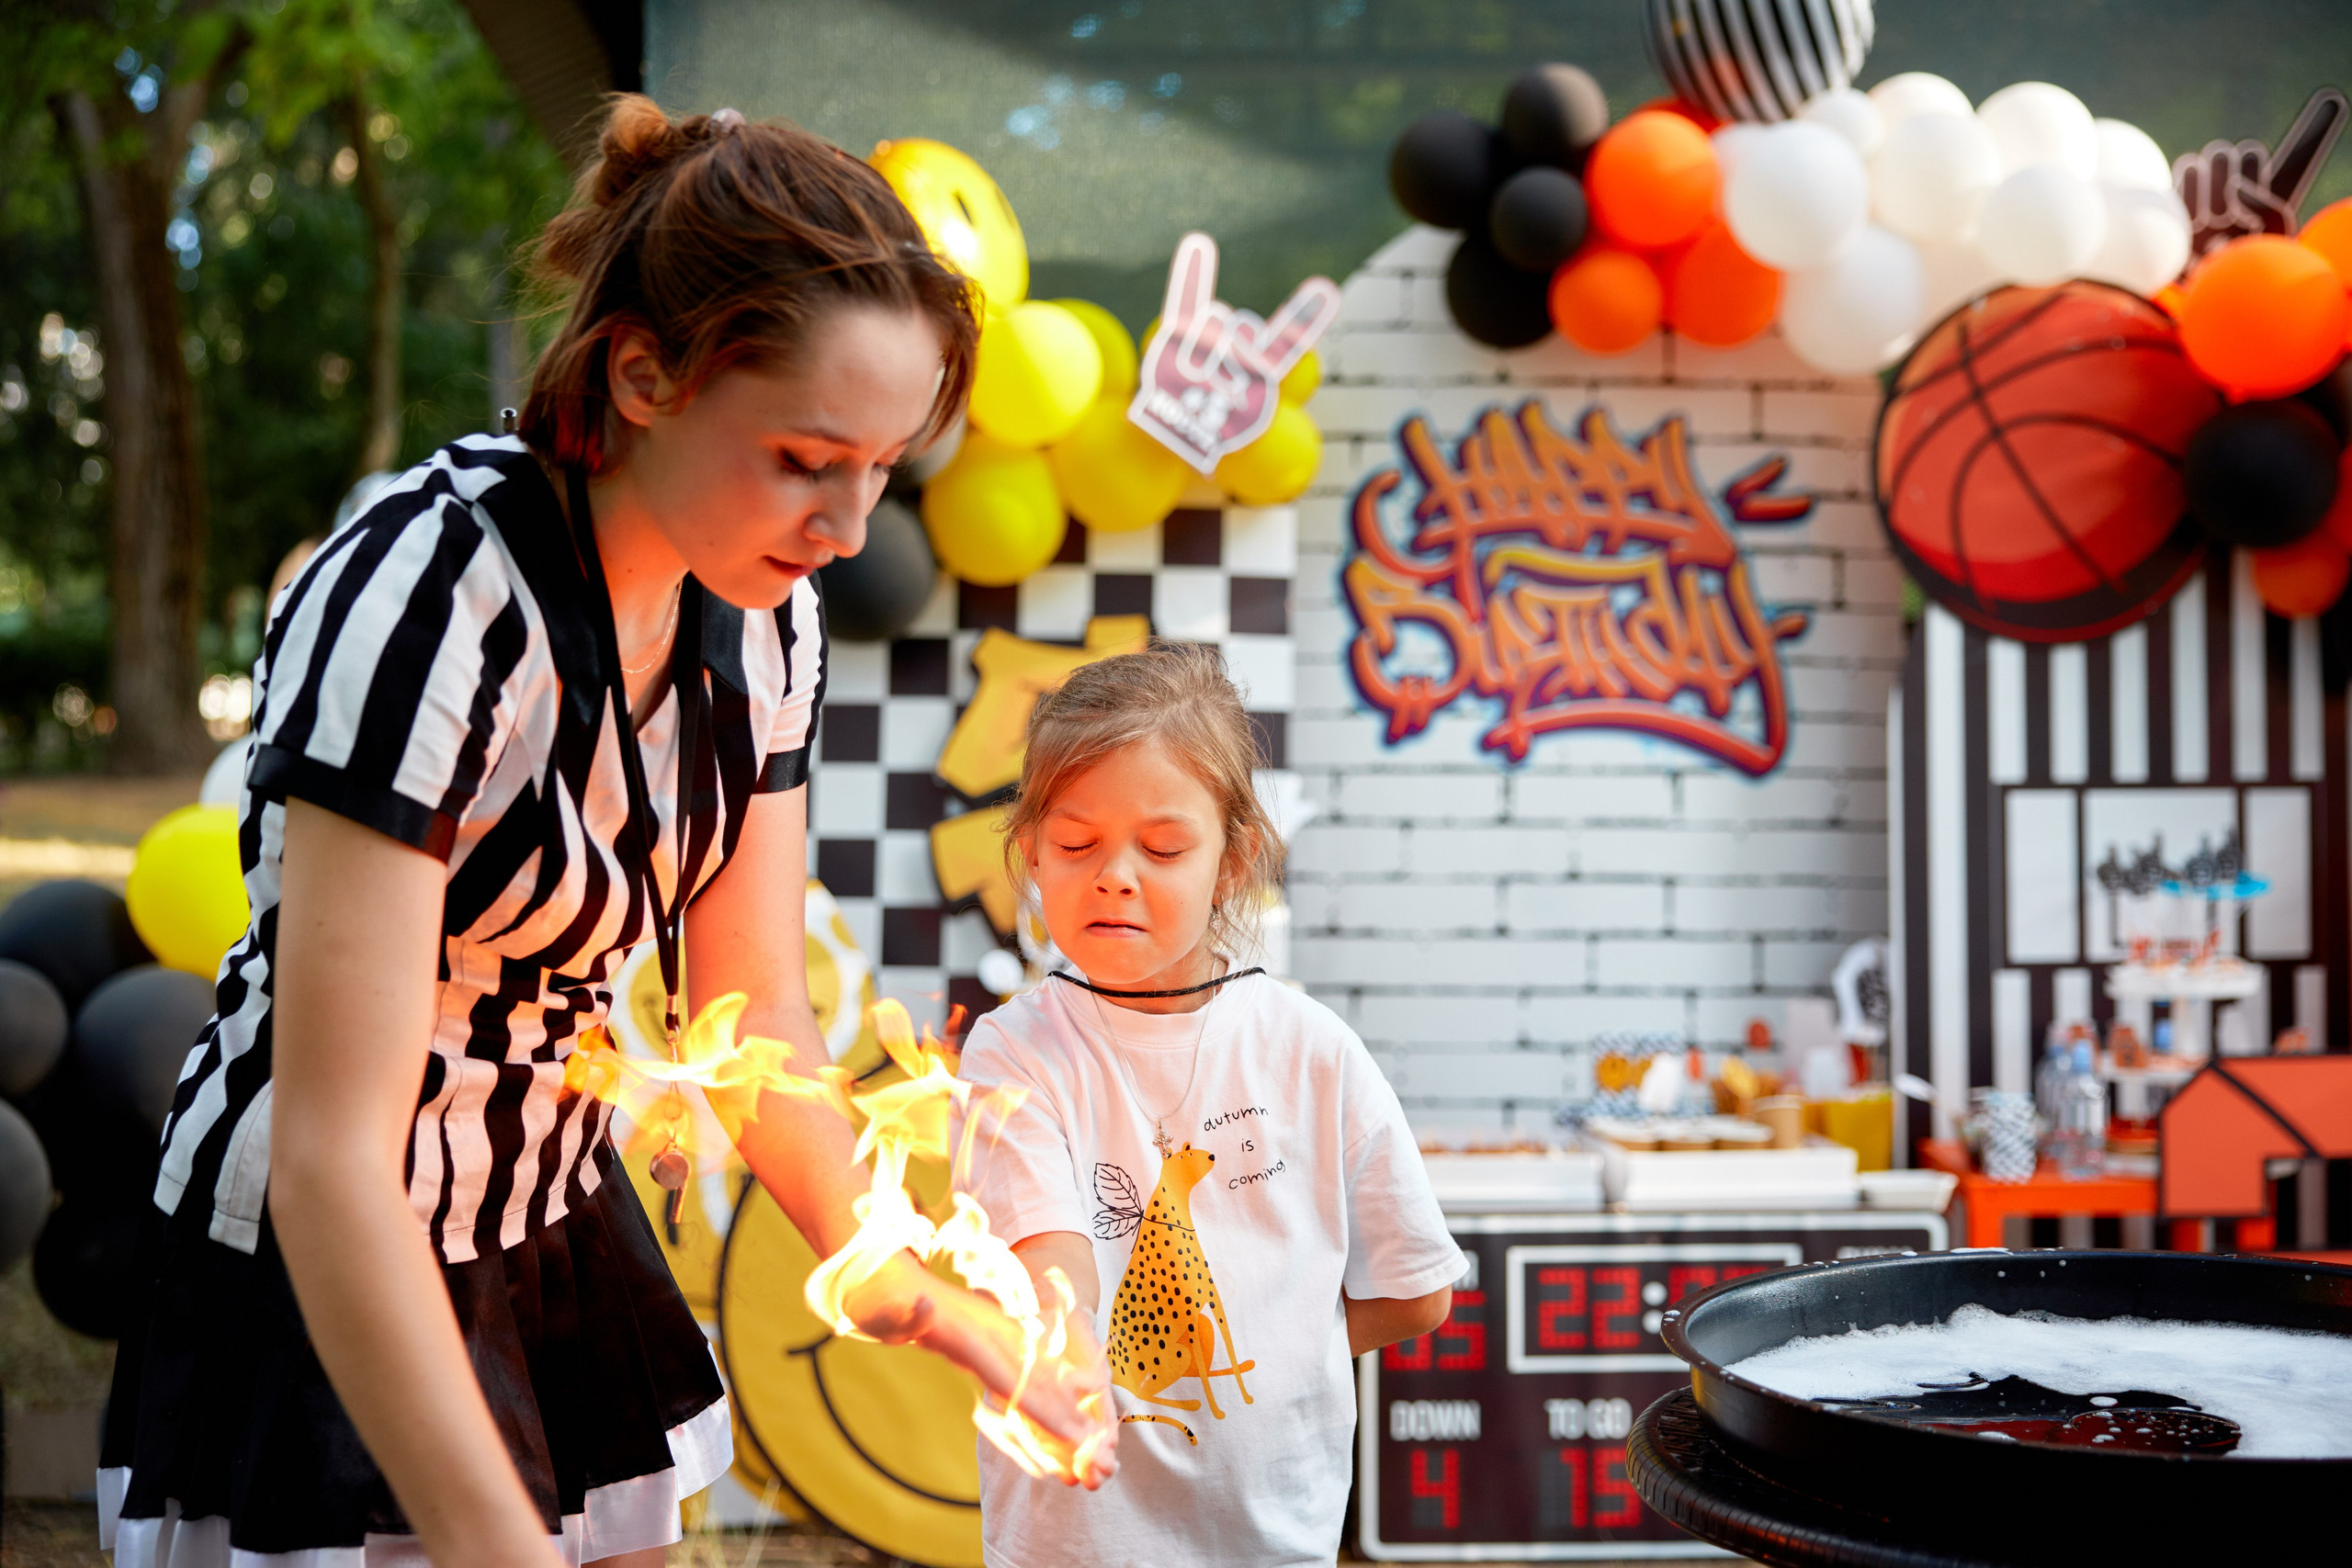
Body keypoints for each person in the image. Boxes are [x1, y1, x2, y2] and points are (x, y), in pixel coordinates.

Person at [99, 96, 1110, 1568]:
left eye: (882, 466)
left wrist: (923, 1294)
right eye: (805, 456)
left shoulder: (769, 622)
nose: (846, 520)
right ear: (644, 373)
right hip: (324, 1256)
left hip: (549, 1213)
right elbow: (333, 1153)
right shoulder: (433, 592)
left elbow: (751, 1006)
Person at [955, 643, 1461, 1567]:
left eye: (1162, 847)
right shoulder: (1012, 1051)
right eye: (1074, 843)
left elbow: (1417, 1291)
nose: (1114, 873)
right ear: (1029, 850)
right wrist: (1070, 1347)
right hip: (1073, 1546)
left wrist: (1280, 1352)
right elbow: (1045, 1246)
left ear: (1233, 860)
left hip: (1273, 1544)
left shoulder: (1312, 1051)